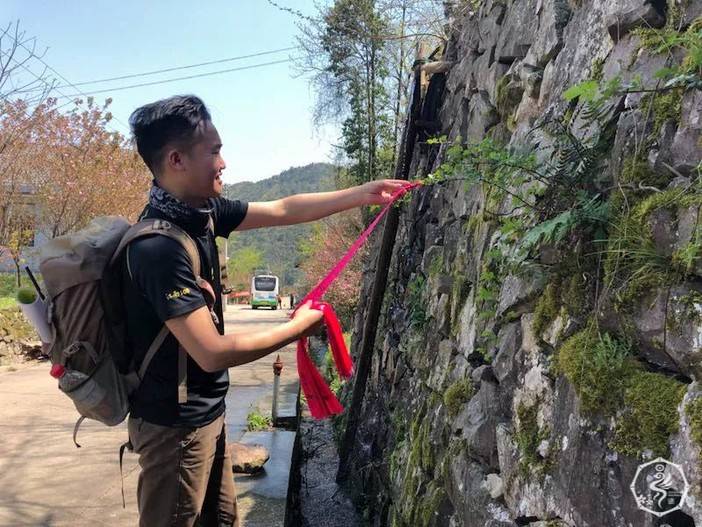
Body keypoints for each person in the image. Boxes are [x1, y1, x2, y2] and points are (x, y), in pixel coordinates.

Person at [122, 94, 409, 527]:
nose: (223, 163)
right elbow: (211, 353)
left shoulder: (203, 214)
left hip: (206, 416)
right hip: (174, 430)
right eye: (214, 152)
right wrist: (298, 328)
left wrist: (362, 194)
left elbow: (282, 209)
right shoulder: (158, 250)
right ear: (176, 160)